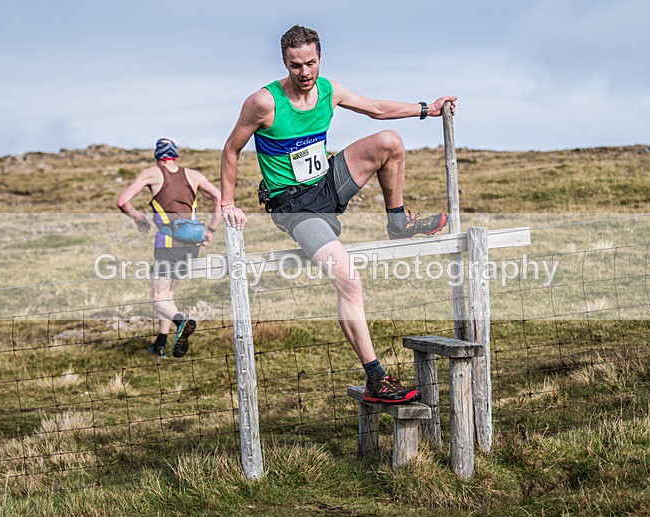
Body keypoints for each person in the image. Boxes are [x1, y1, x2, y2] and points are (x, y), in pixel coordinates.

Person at [220, 25, 457, 404]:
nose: (305, 73)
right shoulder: (263, 103)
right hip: (295, 206)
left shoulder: (330, 91)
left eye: (310, 63)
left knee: (390, 143)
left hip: (327, 184)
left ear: (320, 58)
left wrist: (427, 109)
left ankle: (398, 222)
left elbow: (378, 110)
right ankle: (376, 378)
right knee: (348, 279)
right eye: (296, 65)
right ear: (285, 62)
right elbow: (231, 149)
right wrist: (227, 202)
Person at [117, 138, 221, 358]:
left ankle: (181, 322)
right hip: (192, 243)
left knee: (158, 297)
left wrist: (138, 218)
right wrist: (210, 230)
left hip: (168, 243)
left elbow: (122, 201)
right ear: (176, 156)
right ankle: (160, 343)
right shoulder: (194, 175)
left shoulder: (152, 173)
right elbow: (218, 197)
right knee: (169, 292)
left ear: (158, 158)